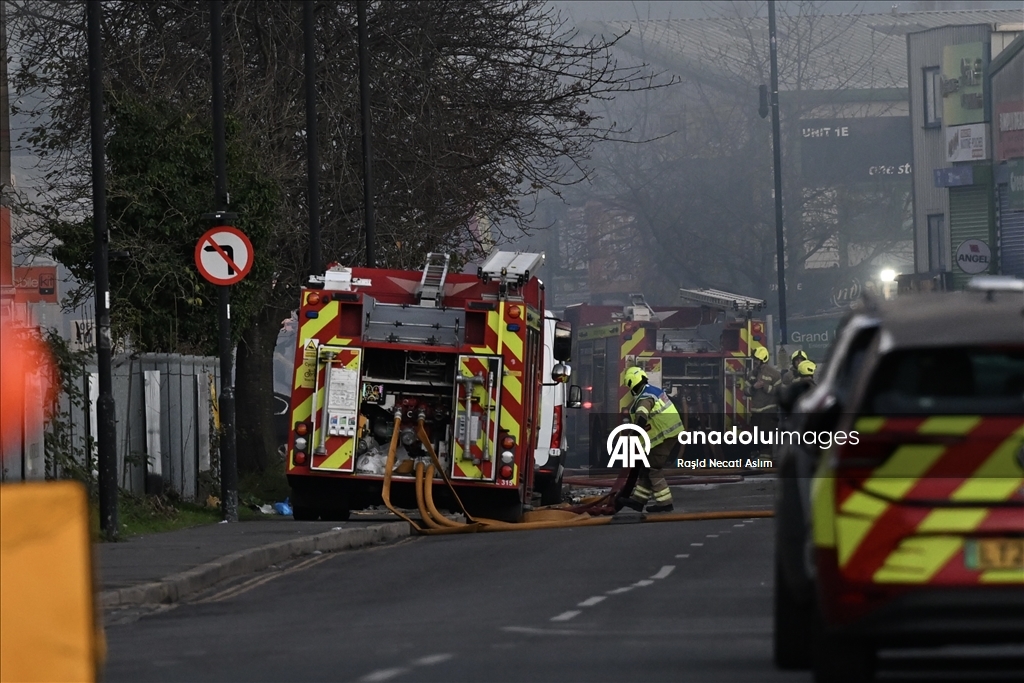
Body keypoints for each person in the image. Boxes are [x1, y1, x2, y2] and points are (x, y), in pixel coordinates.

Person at [617, 366, 684, 514]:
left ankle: (665, 503)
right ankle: (638, 501)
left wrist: (635, 433)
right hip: (667, 435)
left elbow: (642, 415)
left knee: (653, 468)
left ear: (632, 385)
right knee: (646, 469)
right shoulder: (652, 391)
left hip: (664, 437)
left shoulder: (644, 398)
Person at [747, 346, 782, 446]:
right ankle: (759, 459)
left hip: (769, 413)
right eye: (755, 359)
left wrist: (764, 386)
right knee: (756, 442)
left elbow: (778, 392)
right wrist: (754, 387)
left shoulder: (775, 374)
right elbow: (746, 391)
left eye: (757, 359)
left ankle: (765, 460)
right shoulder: (752, 374)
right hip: (756, 413)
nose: (755, 362)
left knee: (766, 443)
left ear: (763, 359)